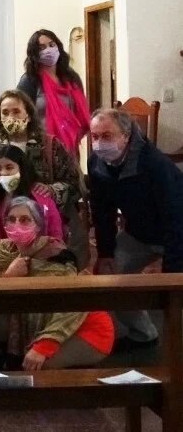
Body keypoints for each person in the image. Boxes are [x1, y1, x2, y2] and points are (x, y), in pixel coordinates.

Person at [88, 108, 183, 350]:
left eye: (107, 136)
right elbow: (102, 210)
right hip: (139, 233)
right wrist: (105, 253)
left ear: (126, 135)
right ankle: (144, 334)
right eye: (94, 136)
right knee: (110, 279)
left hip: (176, 231)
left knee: (175, 294)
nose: (99, 143)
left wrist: (171, 272)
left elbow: (175, 216)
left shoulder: (154, 164)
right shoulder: (96, 163)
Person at [0, 197, 113, 370]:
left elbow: (73, 304)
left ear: (38, 225)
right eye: (11, 219)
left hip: (84, 326)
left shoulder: (56, 255)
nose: (17, 224)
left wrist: (44, 346)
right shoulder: (3, 251)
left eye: (25, 220)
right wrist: (9, 275)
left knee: (39, 367)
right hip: (42, 327)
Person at [0, 90, 85, 266]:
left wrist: (52, 191)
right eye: (5, 112)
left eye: (16, 111)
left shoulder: (50, 145)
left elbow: (74, 182)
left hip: (43, 223)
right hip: (0, 224)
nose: (11, 117)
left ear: (28, 115)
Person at [0, 145, 63, 271]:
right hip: (4, 267)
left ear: (21, 169)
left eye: (9, 167)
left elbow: (55, 237)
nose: (3, 173)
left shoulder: (42, 199)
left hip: (44, 266)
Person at [17, 29, 89, 159]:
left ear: (58, 47)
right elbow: (20, 116)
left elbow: (80, 112)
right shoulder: (29, 80)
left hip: (69, 148)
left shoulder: (72, 78)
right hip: (40, 150)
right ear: (34, 53)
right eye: (42, 47)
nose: (48, 50)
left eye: (51, 45)